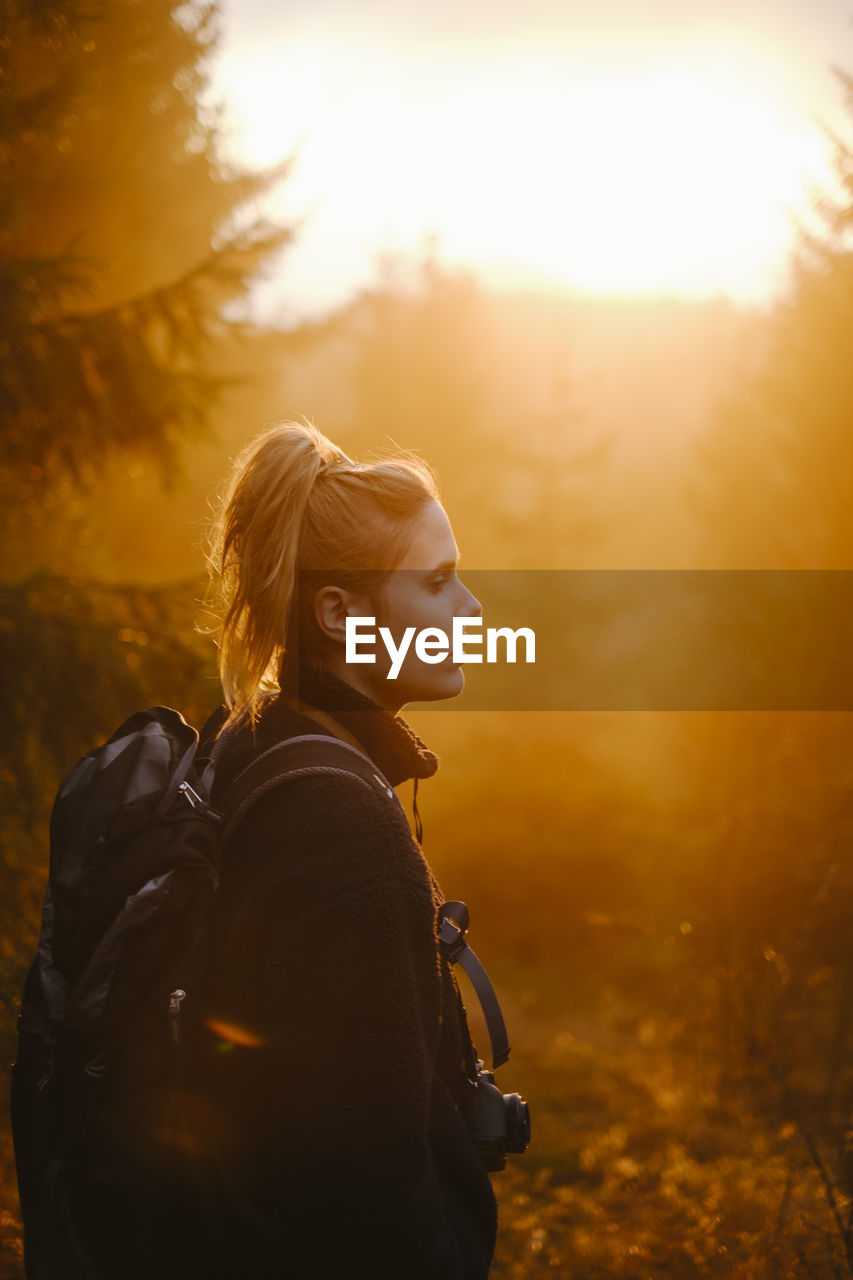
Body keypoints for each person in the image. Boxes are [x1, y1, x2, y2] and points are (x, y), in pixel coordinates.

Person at [192, 421, 498, 1278]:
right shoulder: (339, 828)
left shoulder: (254, 743)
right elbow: (367, 1194)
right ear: (338, 613)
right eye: (436, 582)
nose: (471, 609)